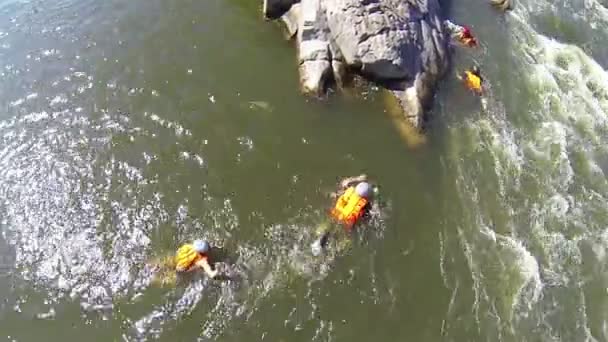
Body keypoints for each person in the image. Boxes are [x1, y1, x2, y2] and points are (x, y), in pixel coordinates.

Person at [311, 174, 375, 255]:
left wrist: (358, 178)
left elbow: (345, 182)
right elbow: (366, 218)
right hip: (347, 222)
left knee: (329, 226)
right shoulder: (366, 206)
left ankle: (320, 237)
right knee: (346, 240)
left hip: (337, 213)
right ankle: (336, 252)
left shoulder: (350, 190)